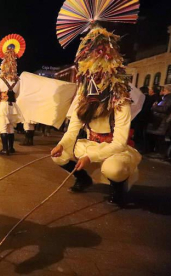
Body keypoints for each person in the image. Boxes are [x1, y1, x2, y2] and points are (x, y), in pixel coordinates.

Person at [50, 26, 141, 206]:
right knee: (58, 156)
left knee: (112, 169)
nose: (95, 80)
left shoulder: (120, 99)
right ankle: (83, 179)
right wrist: (61, 145)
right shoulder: (83, 96)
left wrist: (90, 158)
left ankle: (118, 190)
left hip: (115, 149)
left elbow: (119, 142)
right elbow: (73, 130)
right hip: (91, 144)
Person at [0, 43, 24, 155]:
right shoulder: (18, 81)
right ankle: (11, 148)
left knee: (3, 127)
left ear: (3, 65)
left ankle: (5, 149)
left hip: (3, 106)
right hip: (13, 107)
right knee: (10, 127)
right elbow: (18, 95)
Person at [146, 84, 171, 157]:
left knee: (160, 137)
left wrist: (155, 107)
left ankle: (160, 153)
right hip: (161, 120)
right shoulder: (166, 98)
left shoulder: (168, 98)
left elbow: (164, 109)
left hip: (163, 120)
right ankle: (158, 152)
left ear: (166, 90)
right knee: (158, 136)